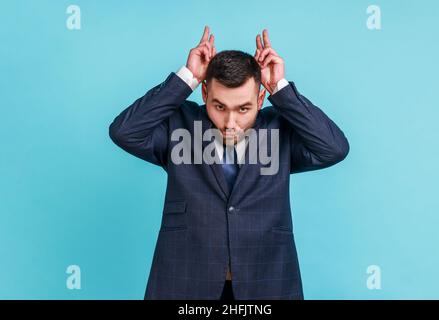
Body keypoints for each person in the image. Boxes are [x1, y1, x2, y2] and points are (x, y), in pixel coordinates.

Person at [109, 26, 350, 300]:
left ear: (260, 99)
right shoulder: (179, 126)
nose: (230, 123)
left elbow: (334, 148)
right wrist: (186, 78)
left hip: (266, 281)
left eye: (243, 108)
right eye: (219, 106)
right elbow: (124, 131)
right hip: (185, 280)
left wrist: (280, 89)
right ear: (204, 95)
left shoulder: (280, 129)